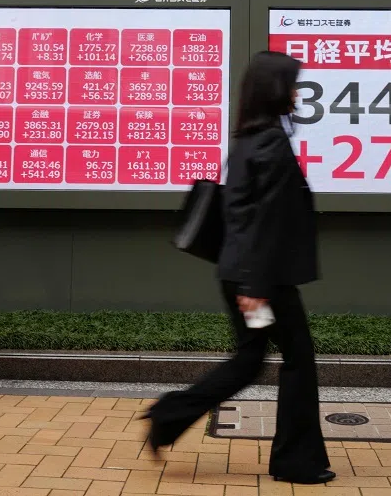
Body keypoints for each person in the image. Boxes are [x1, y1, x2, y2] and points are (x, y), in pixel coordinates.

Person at [144, 51, 334, 485]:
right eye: (291, 84)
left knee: (252, 357)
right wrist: (255, 285)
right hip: (260, 281)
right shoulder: (269, 143)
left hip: (247, 276)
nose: (296, 92)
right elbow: (260, 221)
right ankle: (296, 462)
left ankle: (169, 415)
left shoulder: (251, 139)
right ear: (274, 90)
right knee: (298, 359)